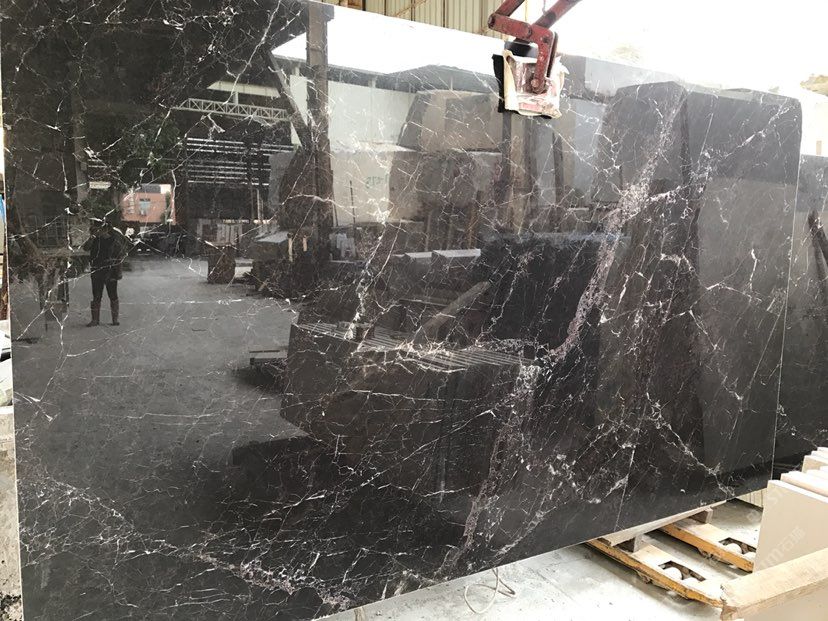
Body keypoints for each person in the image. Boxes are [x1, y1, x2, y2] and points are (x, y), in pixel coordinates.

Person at [82, 218, 127, 326]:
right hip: (97, 270)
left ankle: (115, 320)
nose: (96, 231)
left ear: (105, 229)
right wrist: (92, 238)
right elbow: (86, 248)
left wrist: (119, 271)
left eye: (98, 229)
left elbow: (120, 256)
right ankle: (95, 320)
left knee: (113, 295)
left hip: (110, 270)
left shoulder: (114, 240)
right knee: (96, 295)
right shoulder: (95, 240)